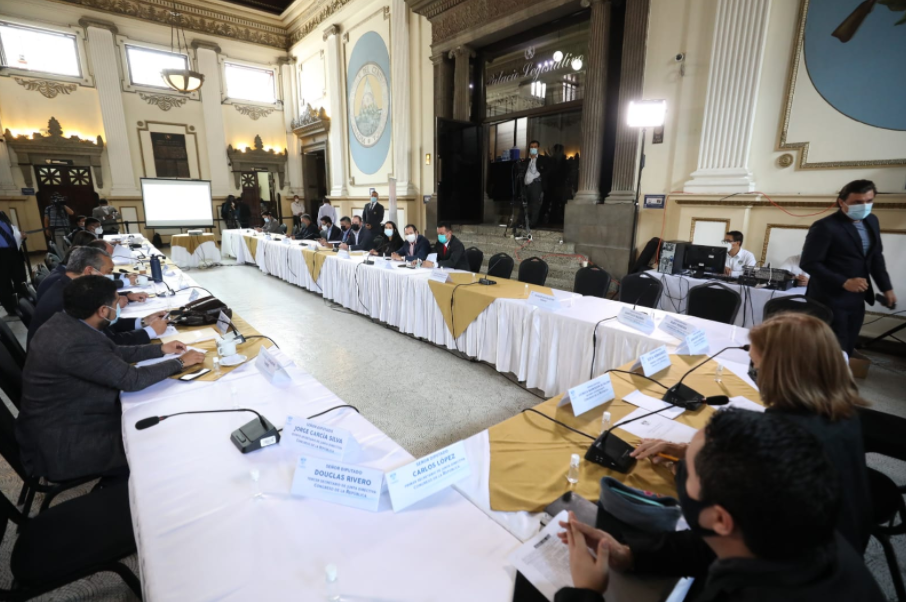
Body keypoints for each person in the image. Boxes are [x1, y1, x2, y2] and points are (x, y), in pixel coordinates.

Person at [556, 409, 885, 602]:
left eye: (686, 472)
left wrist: (586, 592)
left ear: (719, 518)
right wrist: (630, 554)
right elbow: (709, 547)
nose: (679, 474)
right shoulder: (793, 529)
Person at [633, 312, 872, 553]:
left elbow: (723, 522)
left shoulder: (786, 435)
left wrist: (683, 468)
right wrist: (686, 450)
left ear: (781, 373)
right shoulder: (840, 411)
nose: (753, 376)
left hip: (793, 564)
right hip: (842, 545)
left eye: (755, 368)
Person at [17, 275, 205, 482]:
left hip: (66, 416)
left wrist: (160, 349)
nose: (118, 307)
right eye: (116, 303)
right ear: (103, 311)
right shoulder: (75, 343)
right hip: (65, 441)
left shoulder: (65, 322)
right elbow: (132, 380)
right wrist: (180, 363)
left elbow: (110, 352)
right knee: (159, 437)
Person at [801, 179, 895, 355]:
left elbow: (875, 257)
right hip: (828, 299)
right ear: (842, 202)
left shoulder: (871, 221)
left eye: (869, 201)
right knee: (827, 349)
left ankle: (836, 379)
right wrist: (843, 281)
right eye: (858, 202)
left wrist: (886, 288)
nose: (864, 206)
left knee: (847, 345)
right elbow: (809, 263)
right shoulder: (825, 227)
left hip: (857, 299)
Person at [28, 247, 167, 347]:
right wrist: (149, 332)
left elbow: (104, 326)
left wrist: (142, 322)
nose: (109, 278)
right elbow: (106, 343)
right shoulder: (67, 299)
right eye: (108, 273)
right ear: (89, 271)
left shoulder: (70, 287)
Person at [0, 210, 27, 317]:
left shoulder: (2, 215)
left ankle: (24, 304)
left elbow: (11, 232)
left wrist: (20, 236)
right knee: (3, 283)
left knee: (20, 279)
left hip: (14, 251)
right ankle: (11, 309)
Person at [522, 140, 549, 229]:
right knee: (525, 204)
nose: (533, 148)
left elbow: (547, 171)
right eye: (531, 147)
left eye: (535, 147)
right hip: (526, 185)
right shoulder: (527, 160)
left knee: (535, 204)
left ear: (538, 148)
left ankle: (533, 223)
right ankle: (524, 222)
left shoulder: (542, 159)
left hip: (536, 184)